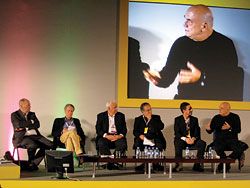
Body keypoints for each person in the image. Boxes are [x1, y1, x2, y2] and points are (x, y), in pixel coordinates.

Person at [143, 4, 243, 100]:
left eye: (189, 21)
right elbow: (167, 79)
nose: (184, 24)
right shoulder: (180, 43)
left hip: (214, 103)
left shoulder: (225, 44)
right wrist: (157, 78)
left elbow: (230, 83)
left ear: (204, 26)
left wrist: (202, 77)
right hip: (185, 103)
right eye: (185, 19)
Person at [11, 98, 53, 171]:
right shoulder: (15, 115)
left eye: (29, 105)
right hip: (22, 138)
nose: (30, 106)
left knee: (49, 144)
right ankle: (31, 164)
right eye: (28, 105)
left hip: (35, 136)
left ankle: (33, 163)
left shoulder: (32, 114)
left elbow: (37, 125)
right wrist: (31, 121)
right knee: (32, 144)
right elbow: (18, 124)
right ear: (21, 106)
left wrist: (25, 127)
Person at [206, 102, 248, 172]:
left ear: (228, 109)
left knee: (242, 147)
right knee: (218, 147)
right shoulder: (216, 118)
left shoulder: (235, 117)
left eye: (221, 108)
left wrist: (230, 128)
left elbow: (238, 130)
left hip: (232, 140)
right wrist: (208, 129)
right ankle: (226, 164)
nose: (219, 110)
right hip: (219, 140)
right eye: (219, 108)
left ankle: (225, 163)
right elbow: (210, 131)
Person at [133, 102, 166, 172]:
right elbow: (135, 131)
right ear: (142, 111)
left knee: (158, 143)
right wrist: (140, 135)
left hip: (154, 137)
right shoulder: (138, 119)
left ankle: (155, 164)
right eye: (147, 110)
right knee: (138, 143)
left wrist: (151, 120)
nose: (149, 111)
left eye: (150, 109)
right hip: (143, 138)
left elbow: (161, 127)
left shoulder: (156, 117)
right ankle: (145, 164)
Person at [173, 102, 206, 172]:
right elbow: (177, 133)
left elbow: (197, 132)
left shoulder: (195, 119)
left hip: (192, 140)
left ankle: (197, 165)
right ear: (184, 110)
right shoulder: (177, 119)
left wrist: (193, 139)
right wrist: (185, 139)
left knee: (202, 143)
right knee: (177, 143)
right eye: (190, 108)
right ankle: (178, 165)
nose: (192, 110)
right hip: (182, 140)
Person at [95, 101, 127, 170]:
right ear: (108, 108)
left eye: (116, 107)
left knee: (122, 144)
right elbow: (98, 129)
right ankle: (112, 162)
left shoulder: (121, 115)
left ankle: (111, 162)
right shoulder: (101, 116)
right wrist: (106, 136)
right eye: (114, 107)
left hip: (117, 136)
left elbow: (124, 129)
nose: (116, 109)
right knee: (101, 143)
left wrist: (119, 136)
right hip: (106, 136)